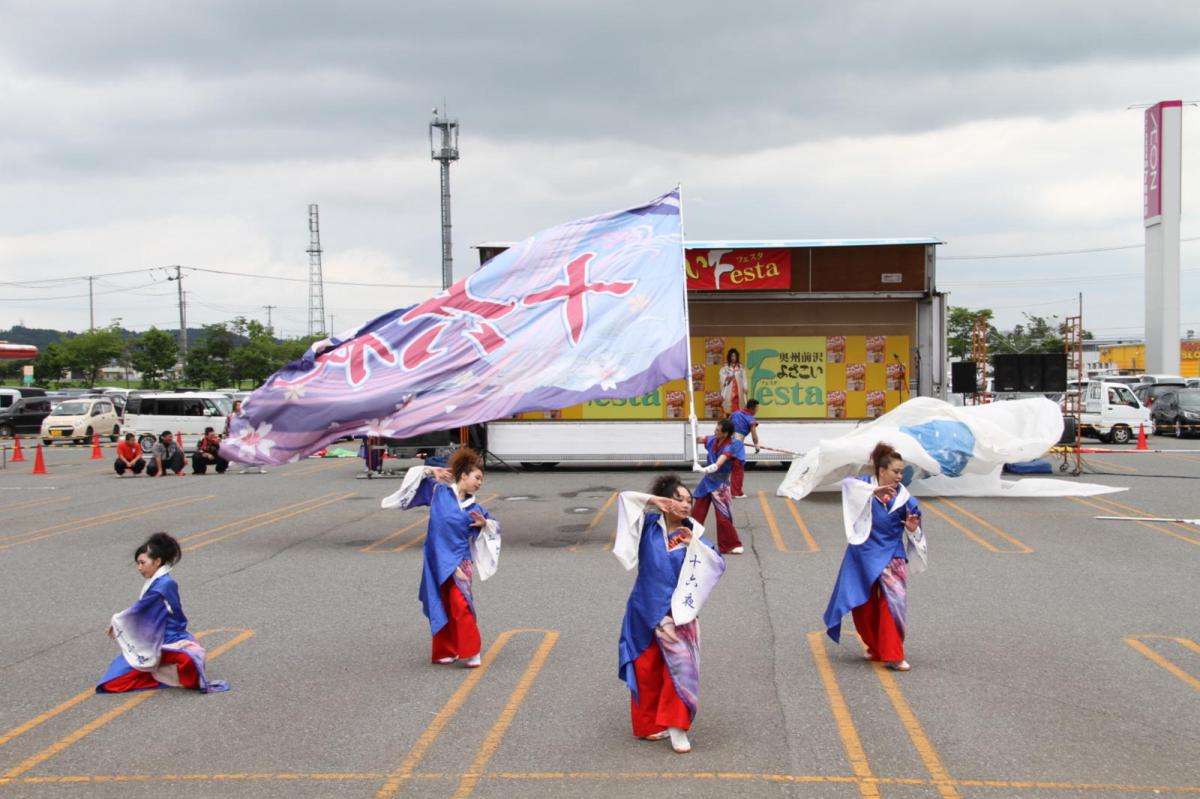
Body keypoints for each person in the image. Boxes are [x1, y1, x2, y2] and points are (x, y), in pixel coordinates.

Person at [613, 474, 725, 754]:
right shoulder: (648, 526)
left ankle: (676, 727)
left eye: (689, 500)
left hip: (678, 615)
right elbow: (625, 499)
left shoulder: (694, 535)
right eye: (679, 499)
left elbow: (716, 565)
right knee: (645, 669)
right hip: (643, 608)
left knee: (680, 670)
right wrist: (652, 500)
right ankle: (649, 725)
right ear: (664, 502)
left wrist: (694, 547)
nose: (686, 505)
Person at [380, 448, 501, 668]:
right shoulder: (438, 492)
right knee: (440, 604)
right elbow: (409, 486)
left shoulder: (475, 508)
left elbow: (494, 527)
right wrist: (428, 470)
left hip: (459, 563)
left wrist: (486, 525)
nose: (479, 483)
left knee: (461, 605)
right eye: (477, 478)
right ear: (463, 475)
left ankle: (471, 650)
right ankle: (446, 649)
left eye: (481, 480)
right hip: (436, 559)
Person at [823, 442, 927, 671]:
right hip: (862, 552)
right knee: (863, 604)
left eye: (902, 472)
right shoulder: (863, 486)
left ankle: (893, 654)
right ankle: (875, 646)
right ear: (881, 471)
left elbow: (916, 527)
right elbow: (847, 486)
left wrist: (911, 528)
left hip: (892, 553)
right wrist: (872, 491)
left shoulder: (905, 498)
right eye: (896, 471)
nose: (900, 476)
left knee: (893, 603)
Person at [97, 532, 229, 693]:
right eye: (137, 563)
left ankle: (160, 673)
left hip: (170, 639)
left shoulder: (164, 585)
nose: (139, 568)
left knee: (190, 662)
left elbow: (139, 610)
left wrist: (117, 622)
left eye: (142, 563)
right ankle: (159, 673)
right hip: (154, 639)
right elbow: (141, 610)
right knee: (111, 683)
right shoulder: (158, 581)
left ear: (157, 561)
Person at [690, 420, 745, 554]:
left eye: (718, 430)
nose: (715, 431)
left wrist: (702, 469)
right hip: (707, 483)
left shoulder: (731, 446)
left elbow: (718, 464)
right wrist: (693, 424)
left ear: (725, 434)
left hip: (720, 485)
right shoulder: (713, 439)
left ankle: (731, 545)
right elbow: (699, 439)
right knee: (697, 512)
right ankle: (689, 539)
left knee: (723, 518)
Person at [728, 398, 760, 498]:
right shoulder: (750, 419)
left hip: (728, 442)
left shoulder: (735, 413)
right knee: (738, 469)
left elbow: (727, 424)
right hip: (737, 444)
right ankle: (736, 493)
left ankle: (724, 491)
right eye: (756, 408)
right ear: (752, 408)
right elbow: (754, 434)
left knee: (726, 468)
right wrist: (756, 445)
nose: (757, 411)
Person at [718, 348, 747, 417]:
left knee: (738, 404)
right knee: (729, 404)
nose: (733, 358)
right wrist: (727, 378)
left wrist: (745, 387)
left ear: (737, 357)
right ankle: (729, 418)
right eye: (732, 356)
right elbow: (721, 377)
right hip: (729, 390)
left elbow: (744, 379)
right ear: (729, 357)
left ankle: (738, 418)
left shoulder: (740, 368)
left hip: (738, 389)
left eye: (735, 356)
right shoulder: (725, 368)